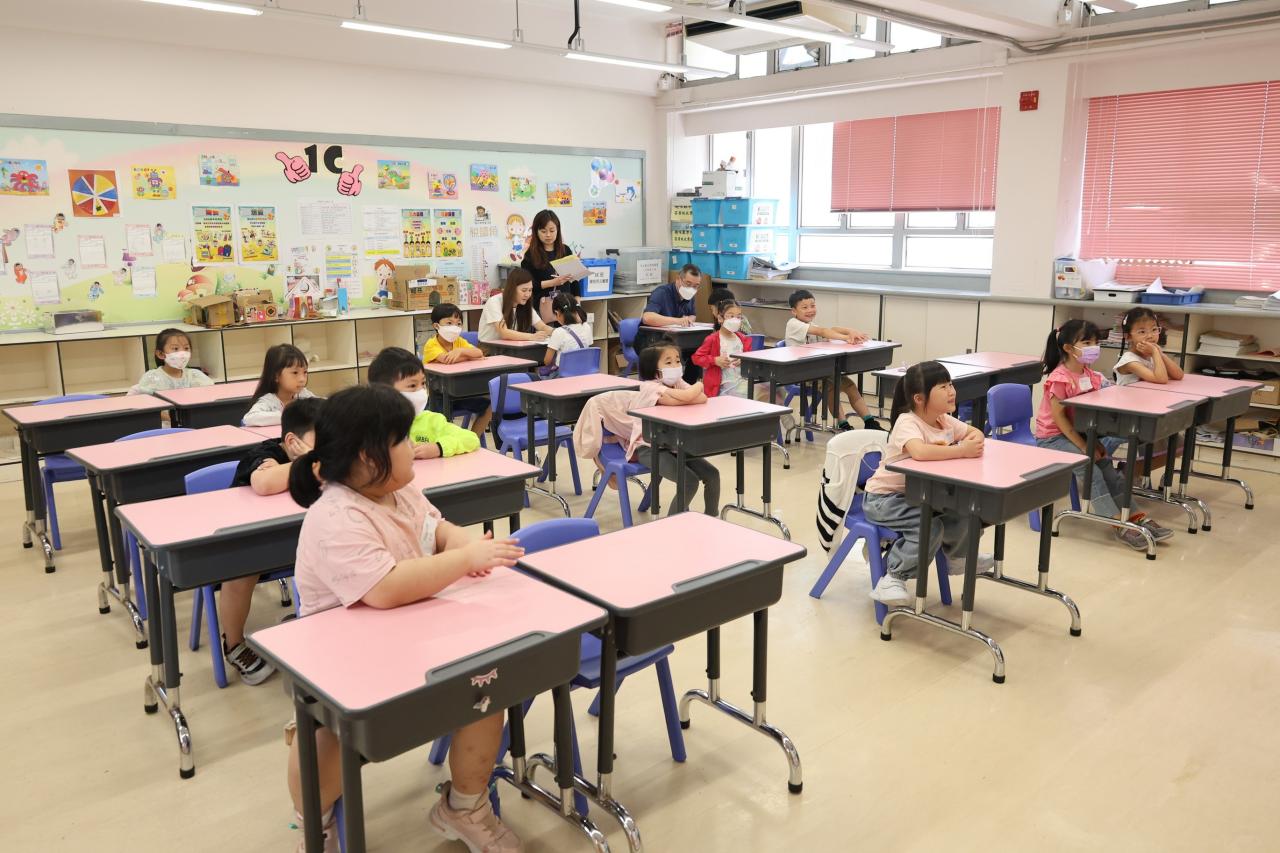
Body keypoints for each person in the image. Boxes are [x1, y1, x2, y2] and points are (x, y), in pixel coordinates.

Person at [285, 384, 525, 852]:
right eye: (403, 439)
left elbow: (434, 528)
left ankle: (464, 806)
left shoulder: (400, 489)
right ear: (368, 456)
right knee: (321, 740)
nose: (413, 446)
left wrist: (461, 544)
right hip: (343, 664)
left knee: (485, 684)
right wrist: (462, 560)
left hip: (415, 633)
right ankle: (315, 824)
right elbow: (386, 588)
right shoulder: (335, 515)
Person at [1035, 319, 1173, 549]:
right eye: (1087, 343)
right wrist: (1083, 446)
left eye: (1096, 342)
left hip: (1081, 435)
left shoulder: (1091, 375)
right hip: (1053, 438)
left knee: (1109, 471)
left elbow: (1110, 394)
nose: (1094, 347)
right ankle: (1117, 523)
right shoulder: (1059, 378)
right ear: (1068, 348)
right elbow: (1060, 420)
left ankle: (1135, 516)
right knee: (1091, 470)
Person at [861, 361, 990, 605]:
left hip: (923, 494)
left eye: (950, 384)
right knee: (929, 527)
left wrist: (970, 442)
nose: (951, 391)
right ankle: (893, 577)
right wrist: (962, 450)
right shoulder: (907, 422)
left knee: (967, 510)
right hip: (885, 499)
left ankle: (956, 557)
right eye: (943, 387)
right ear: (919, 399)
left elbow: (976, 434)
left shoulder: (944, 420)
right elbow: (919, 452)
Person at [220, 397, 324, 685]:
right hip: (246, 541)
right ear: (292, 442)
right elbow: (265, 483)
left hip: (298, 536)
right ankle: (234, 644)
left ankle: (315, 618)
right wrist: (309, 461)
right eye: (323, 441)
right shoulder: (263, 454)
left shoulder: (323, 457)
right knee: (242, 571)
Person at [582, 340, 720, 516]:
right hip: (648, 447)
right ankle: (674, 525)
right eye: (668, 362)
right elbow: (687, 396)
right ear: (653, 368)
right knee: (689, 481)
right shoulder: (649, 387)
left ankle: (711, 519)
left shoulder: (676, 382)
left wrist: (689, 394)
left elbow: (701, 398)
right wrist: (699, 385)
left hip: (673, 445)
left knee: (712, 474)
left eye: (677, 360)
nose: (676, 365)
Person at [786, 288, 882, 431]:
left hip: (817, 371)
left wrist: (851, 331)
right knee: (831, 387)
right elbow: (823, 332)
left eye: (812, 306)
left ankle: (870, 422)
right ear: (794, 311)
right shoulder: (793, 324)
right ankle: (843, 425)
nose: (810, 310)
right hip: (800, 373)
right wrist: (847, 337)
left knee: (850, 385)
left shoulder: (810, 325)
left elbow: (831, 329)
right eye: (804, 307)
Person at [367, 347, 480, 458]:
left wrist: (439, 448)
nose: (421, 391)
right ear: (384, 391)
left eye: (423, 383)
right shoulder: (373, 424)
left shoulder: (432, 420)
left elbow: (471, 439)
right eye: (412, 385)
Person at [423, 303, 491, 436]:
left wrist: (460, 351)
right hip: (438, 396)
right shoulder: (431, 344)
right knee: (442, 424)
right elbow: (447, 360)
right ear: (436, 326)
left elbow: (479, 353)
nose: (454, 327)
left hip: (459, 393)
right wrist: (469, 357)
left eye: (458, 323)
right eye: (449, 323)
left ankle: (472, 439)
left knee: (490, 405)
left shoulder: (459, 342)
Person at [692, 297, 751, 398]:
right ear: (720, 318)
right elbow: (696, 358)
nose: (735, 320)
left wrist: (743, 360)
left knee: (771, 390)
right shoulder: (712, 339)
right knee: (755, 394)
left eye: (738, 317)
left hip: (742, 380)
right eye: (731, 316)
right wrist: (714, 360)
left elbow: (750, 358)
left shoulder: (743, 339)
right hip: (723, 386)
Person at [520, 209, 577, 308]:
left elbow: (574, 281)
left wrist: (577, 303)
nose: (548, 235)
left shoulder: (565, 250)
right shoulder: (530, 255)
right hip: (542, 306)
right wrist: (552, 283)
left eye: (552, 230)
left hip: (566, 306)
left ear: (557, 230)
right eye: (543, 231)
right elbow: (528, 284)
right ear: (536, 232)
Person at [1114, 307, 1184, 386]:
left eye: (1154, 329)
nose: (1150, 336)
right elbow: (1161, 379)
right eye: (1142, 332)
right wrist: (1155, 353)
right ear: (1128, 336)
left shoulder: (1152, 353)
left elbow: (1179, 375)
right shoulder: (1129, 361)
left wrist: (1160, 354)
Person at [132, 328, 215, 394]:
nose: (182, 353)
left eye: (186, 348)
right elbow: (141, 401)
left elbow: (211, 395)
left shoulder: (195, 375)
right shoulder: (152, 378)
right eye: (175, 348)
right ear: (161, 354)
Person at [478, 269, 551, 343]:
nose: (527, 295)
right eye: (524, 290)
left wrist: (555, 332)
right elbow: (504, 332)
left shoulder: (525, 304)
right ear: (512, 288)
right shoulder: (494, 302)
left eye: (530, 290)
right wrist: (532, 336)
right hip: (488, 347)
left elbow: (542, 326)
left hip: (511, 346)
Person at [542, 291, 593, 377]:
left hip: (564, 377)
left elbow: (547, 361)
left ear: (557, 313)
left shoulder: (559, 332)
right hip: (584, 374)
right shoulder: (586, 326)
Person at [641, 263, 700, 329]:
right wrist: (679, 321)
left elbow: (692, 315)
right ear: (678, 279)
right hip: (655, 334)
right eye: (688, 284)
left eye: (695, 286)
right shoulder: (662, 292)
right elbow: (647, 318)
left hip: (676, 333)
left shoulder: (689, 295)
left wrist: (688, 320)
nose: (691, 289)